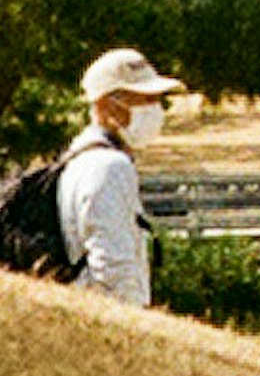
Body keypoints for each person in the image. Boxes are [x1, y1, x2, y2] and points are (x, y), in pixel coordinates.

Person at [55, 44, 186, 313]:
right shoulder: (109, 167)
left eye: (157, 100)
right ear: (106, 104)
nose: (155, 109)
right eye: (142, 99)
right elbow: (113, 266)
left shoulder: (81, 157)